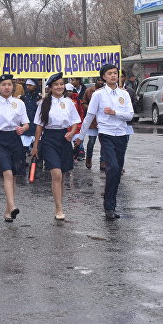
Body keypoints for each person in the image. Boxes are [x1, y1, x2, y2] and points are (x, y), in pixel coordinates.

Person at [75, 63, 133, 219]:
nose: (113, 76)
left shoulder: (124, 94)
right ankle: (108, 207)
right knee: (112, 167)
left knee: (117, 170)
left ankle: (112, 205)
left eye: (115, 73)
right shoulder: (98, 94)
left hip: (121, 134)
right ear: (104, 77)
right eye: (110, 73)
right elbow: (89, 116)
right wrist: (80, 136)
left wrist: (115, 112)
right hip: (106, 134)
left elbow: (130, 115)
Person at [31, 73, 81, 220]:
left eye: (61, 84)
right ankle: (58, 209)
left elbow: (75, 122)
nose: (59, 87)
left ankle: (59, 204)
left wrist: (71, 133)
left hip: (64, 139)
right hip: (49, 139)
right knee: (56, 174)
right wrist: (35, 146)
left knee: (63, 174)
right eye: (56, 85)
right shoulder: (44, 103)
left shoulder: (69, 102)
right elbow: (39, 126)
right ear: (50, 88)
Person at [0, 74, 30, 222]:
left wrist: (23, 129)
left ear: (13, 87)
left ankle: (8, 210)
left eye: (9, 84)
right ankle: (12, 206)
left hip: (15, 140)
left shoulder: (19, 103)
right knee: (7, 174)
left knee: (14, 176)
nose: (7, 87)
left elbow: (26, 123)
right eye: (3, 84)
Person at [82, 77, 105, 170]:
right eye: (99, 80)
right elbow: (83, 103)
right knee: (91, 142)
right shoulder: (89, 90)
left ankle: (102, 162)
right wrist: (91, 109)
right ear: (96, 81)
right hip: (92, 121)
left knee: (103, 143)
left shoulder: (106, 91)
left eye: (102, 80)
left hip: (103, 121)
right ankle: (88, 158)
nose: (100, 82)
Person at [20, 79, 40, 152]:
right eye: (27, 85)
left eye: (30, 85)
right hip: (25, 127)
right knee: (23, 150)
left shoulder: (40, 98)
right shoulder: (23, 97)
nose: (28, 87)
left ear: (35, 86)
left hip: (36, 127)